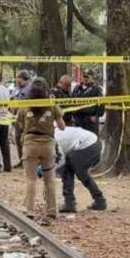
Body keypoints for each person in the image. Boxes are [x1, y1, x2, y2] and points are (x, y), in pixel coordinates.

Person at [17, 77, 66, 221]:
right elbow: (62, 126)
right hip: (48, 144)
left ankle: (28, 209)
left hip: (30, 144)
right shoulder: (51, 104)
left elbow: (20, 126)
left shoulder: (25, 105)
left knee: (31, 178)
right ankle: (51, 210)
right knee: (49, 179)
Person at [54, 126, 107, 213]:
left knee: (77, 172)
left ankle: (99, 200)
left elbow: (61, 160)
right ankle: (70, 203)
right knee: (68, 170)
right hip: (85, 144)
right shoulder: (51, 136)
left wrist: (50, 169)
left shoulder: (54, 139)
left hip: (89, 145)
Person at [70, 70, 103, 135]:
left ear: (92, 78)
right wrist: (73, 115)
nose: (85, 79)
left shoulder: (96, 89)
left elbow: (101, 104)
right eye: (84, 76)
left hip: (90, 119)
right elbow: (72, 100)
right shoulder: (77, 88)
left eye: (87, 77)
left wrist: (96, 116)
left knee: (92, 139)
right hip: (78, 119)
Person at [12, 70, 32, 164]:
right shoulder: (16, 89)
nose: (16, 79)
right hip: (16, 117)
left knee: (26, 139)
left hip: (26, 119)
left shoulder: (30, 89)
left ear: (22, 78)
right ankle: (21, 160)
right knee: (18, 138)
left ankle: (28, 160)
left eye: (18, 77)